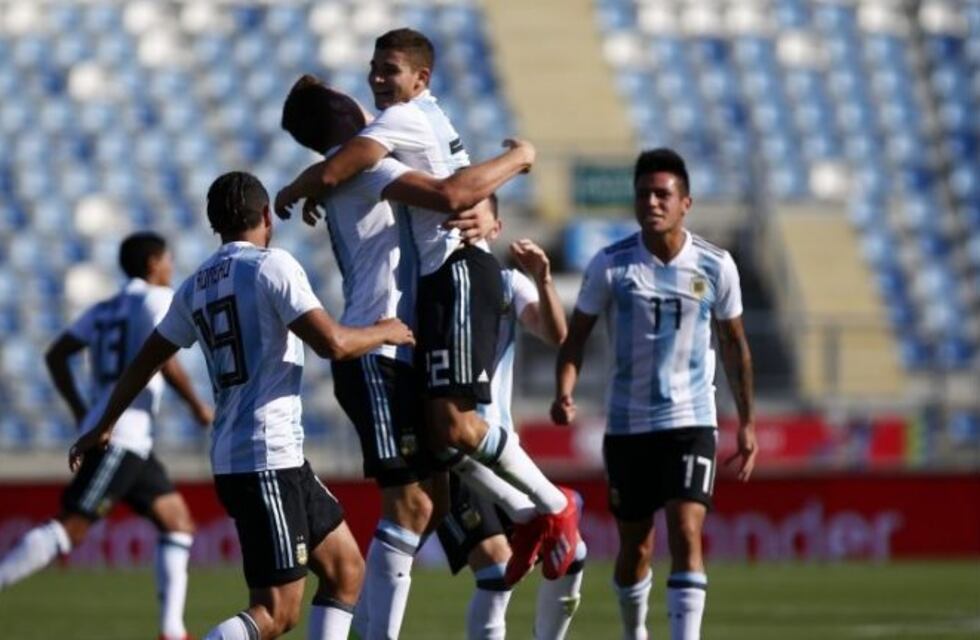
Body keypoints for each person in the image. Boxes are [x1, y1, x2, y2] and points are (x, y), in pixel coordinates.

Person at [274, 28, 580, 590]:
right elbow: (448, 195)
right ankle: (545, 506)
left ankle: (531, 511)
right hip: (378, 347)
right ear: (343, 113)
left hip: (402, 336)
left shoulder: (382, 148)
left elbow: (454, 193)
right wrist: (518, 158)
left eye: (384, 70)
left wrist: (486, 209)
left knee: (436, 486)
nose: (371, 84)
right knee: (417, 500)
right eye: (367, 78)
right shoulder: (370, 160)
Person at [69, 172, 415, 640]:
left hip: (267, 457)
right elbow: (331, 343)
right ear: (267, 217)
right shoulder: (272, 266)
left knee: (345, 569)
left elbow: (146, 360)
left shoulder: (195, 286)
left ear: (214, 224)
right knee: (276, 613)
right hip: (264, 457)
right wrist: (385, 330)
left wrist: (102, 424)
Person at [552, 149, 758, 640]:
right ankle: (635, 630)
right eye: (644, 193)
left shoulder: (715, 265)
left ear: (685, 202)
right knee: (635, 549)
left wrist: (747, 423)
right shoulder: (611, 265)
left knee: (687, 531)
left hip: (692, 421)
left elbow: (735, 347)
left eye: (662, 194)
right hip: (628, 426)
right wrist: (565, 390)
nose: (652, 202)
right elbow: (576, 336)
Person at [0, 232, 211, 640]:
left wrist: (83, 409)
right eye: (168, 260)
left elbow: (56, 353)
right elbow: (163, 360)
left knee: (177, 522)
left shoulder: (104, 308)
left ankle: (172, 631)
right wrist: (197, 406)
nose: (171, 268)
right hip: (121, 435)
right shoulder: (154, 299)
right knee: (73, 527)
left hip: (128, 436)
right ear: (153, 262)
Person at [436, 200, 587, 640]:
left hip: (500, 446)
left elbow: (555, 333)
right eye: (459, 209)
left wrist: (542, 278)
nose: (466, 217)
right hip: (454, 447)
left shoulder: (506, 283)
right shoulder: (436, 279)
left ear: (497, 226)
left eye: (476, 211)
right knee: (496, 569)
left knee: (574, 552)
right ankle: (558, 504)